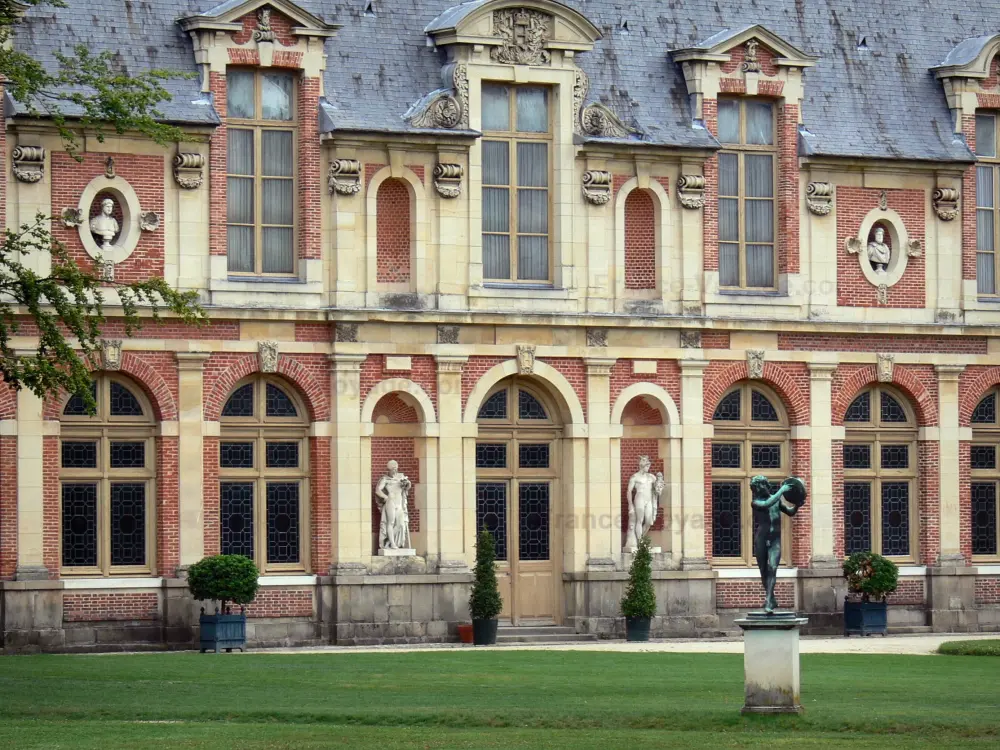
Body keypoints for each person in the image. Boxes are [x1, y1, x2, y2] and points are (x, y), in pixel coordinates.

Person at [749, 475, 800, 614]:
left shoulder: (776, 501)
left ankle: (768, 600)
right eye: (756, 488)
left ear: (766, 485)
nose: (759, 490)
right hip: (761, 539)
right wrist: (782, 490)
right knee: (764, 571)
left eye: (760, 486)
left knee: (772, 567)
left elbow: (790, 512)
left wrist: (797, 504)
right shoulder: (756, 502)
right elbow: (767, 504)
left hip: (775, 540)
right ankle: (771, 599)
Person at [624, 455, 662, 551]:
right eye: (647, 466)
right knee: (639, 520)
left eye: (648, 466)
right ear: (642, 466)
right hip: (639, 499)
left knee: (649, 521)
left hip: (649, 500)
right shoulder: (635, 477)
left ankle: (640, 540)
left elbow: (658, 489)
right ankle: (641, 543)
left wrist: (659, 485)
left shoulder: (651, 477)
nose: (648, 468)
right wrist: (630, 505)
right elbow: (629, 491)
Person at [375, 460, 412, 550]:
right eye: (392, 469)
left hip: (399, 502)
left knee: (400, 524)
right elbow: (378, 490)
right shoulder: (385, 479)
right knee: (391, 522)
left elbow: (407, 488)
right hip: (390, 502)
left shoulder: (401, 477)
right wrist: (386, 497)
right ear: (389, 469)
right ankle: (392, 543)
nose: (395, 471)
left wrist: (407, 484)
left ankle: (388, 542)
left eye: (396, 468)